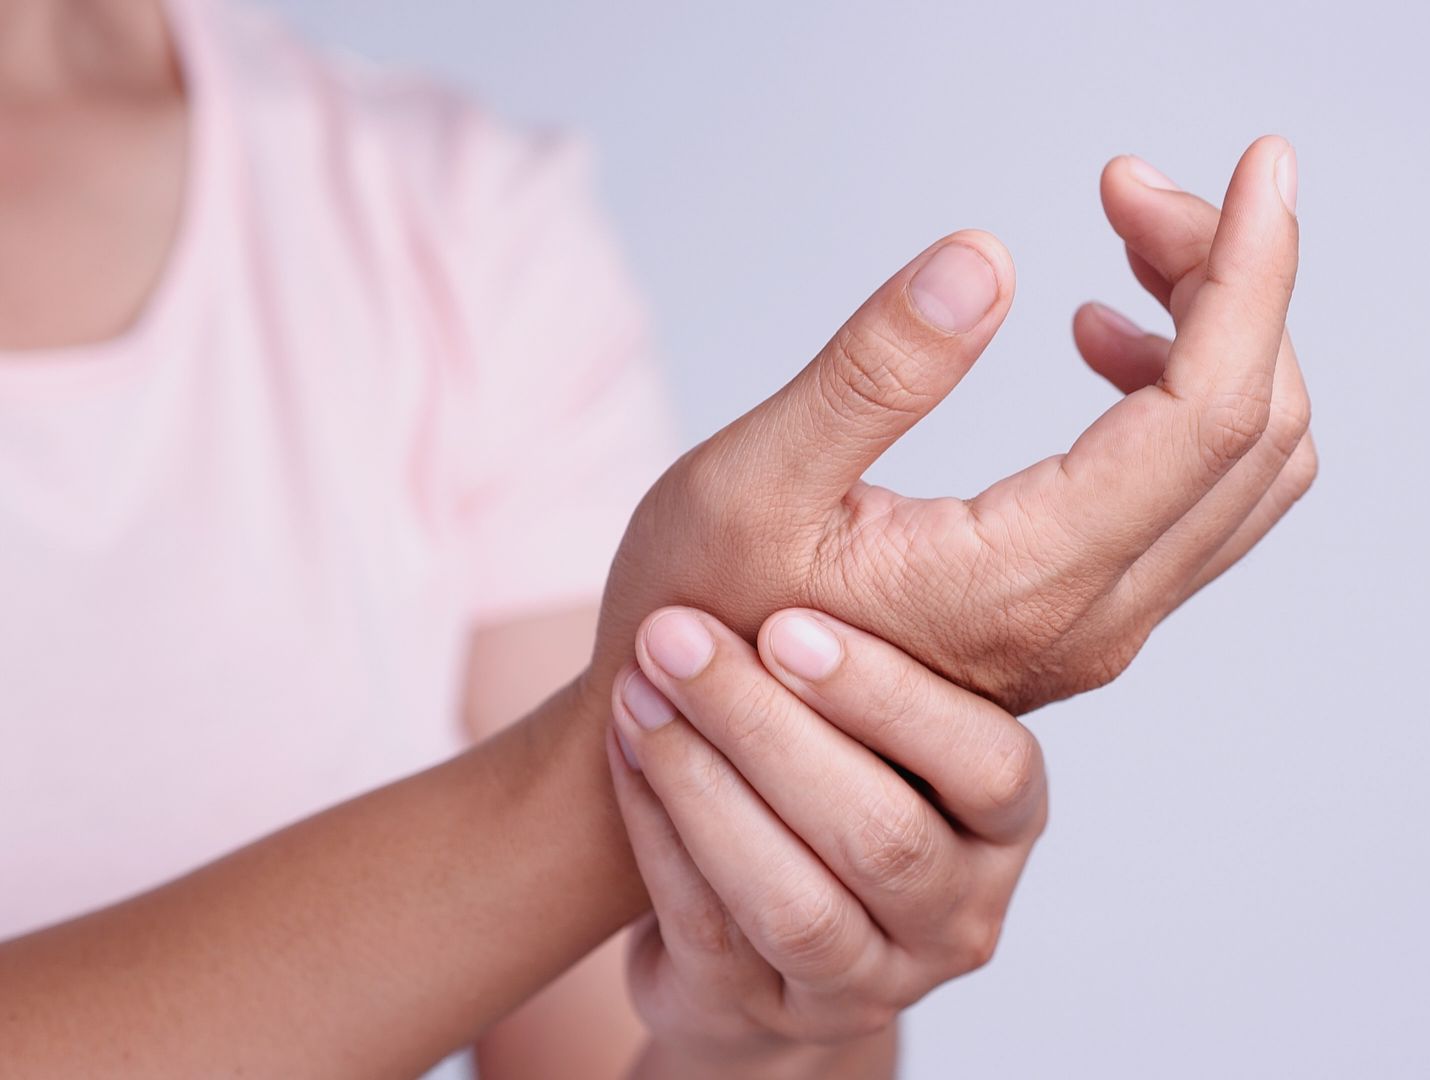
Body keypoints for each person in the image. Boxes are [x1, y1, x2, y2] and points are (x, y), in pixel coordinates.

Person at [0, 0, 1316, 1076]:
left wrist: (776, 964)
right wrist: (635, 751)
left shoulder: (443, 213)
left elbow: (615, 1042)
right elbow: (597, 772)